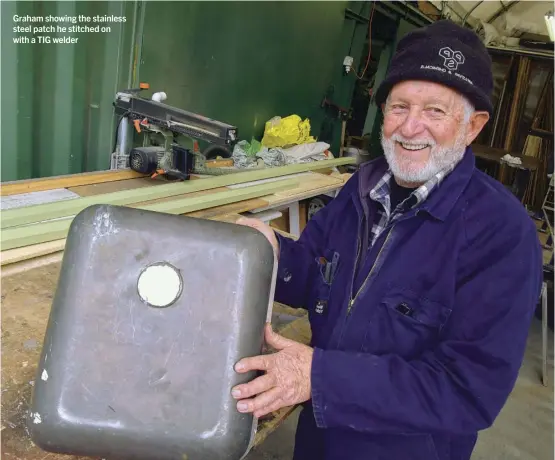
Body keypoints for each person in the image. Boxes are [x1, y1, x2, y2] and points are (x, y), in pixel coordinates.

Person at [232, 20, 543, 460]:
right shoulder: (363, 186)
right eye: (399, 107)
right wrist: (268, 252)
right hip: (319, 439)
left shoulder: (502, 234)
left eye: (435, 111)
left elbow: (467, 391)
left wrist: (319, 377)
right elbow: (314, 276)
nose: (410, 128)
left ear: (473, 126)